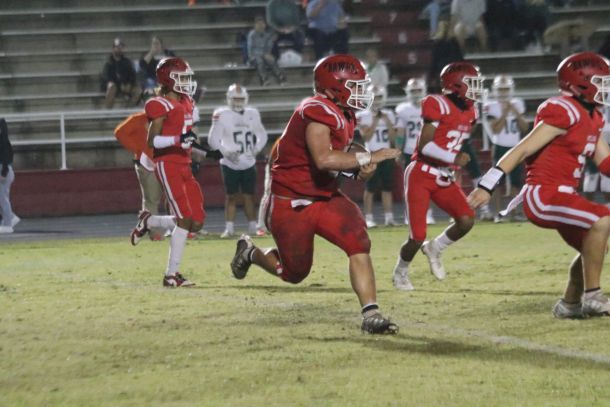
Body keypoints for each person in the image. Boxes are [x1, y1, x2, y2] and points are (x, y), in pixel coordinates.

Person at [229, 54, 401, 334]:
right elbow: (324, 158)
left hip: (324, 195)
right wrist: (368, 157)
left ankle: (371, 314)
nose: (362, 92)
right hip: (292, 200)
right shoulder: (316, 110)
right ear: (334, 87)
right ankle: (251, 253)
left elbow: (342, 152)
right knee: (294, 273)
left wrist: (361, 169)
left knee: (358, 240)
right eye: (355, 86)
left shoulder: (344, 111)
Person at [468, 52, 610, 318]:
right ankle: (593, 296)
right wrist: (487, 184)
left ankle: (569, 305)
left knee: (594, 245)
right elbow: (522, 149)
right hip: (543, 195)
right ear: (581, 82)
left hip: (565, 194)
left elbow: (606, 163)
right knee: (602, 219)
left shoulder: (592, 116)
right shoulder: (564, 110)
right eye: (600, 81)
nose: (605, 88)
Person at [392, 62, 483, 291]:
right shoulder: (437, 103)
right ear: (456, 84)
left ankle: (435, 247)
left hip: (443, 175)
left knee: (466, 219)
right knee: (416, 236)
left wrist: (454, 161)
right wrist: (453, 157)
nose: (476, 88)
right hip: (421, 173)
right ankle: (401, 271)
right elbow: (425, 145)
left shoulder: (472, 111)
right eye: (472, 83)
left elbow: (456, 140)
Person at [130, 57, 204, 288]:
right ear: (167, 79)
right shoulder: (160, 104)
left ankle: (149, 220)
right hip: (167, 163)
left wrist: (207, 151)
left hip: (185, 163)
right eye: (181, 78)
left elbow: (188, 136)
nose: (186, 82)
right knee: (183, 219)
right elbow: (152, 141)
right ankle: (171, 275)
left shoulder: (187, 102)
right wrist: (178, 139)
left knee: (196, 222)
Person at [208, 84, 268, 238]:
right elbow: (213, 140)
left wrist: (256, 149)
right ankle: (229, 228)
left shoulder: (252, 113)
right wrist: (226, 153)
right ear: (229, 98)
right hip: (230, 163)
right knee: (231, 196)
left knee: (250, 196)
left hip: (248, 161)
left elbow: (262, 135)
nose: (238, 102)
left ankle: (252, 227)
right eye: (235, 99)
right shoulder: (221, 114)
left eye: (240, 99)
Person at [115, 112, 167, 241]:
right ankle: (155, 232)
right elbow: (119, 133)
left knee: (169, 197)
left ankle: (149, 227)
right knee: (151, 199)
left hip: (164, 161)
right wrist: (138, 149)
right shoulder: (138, 119)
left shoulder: (167, 118)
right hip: (147, 163)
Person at [483, 74, 528, 222]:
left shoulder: (518, 103)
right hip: (500, 146)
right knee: (497, 183)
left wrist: (515, 111)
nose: (503, 92)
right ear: (496, 90)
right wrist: (505, 112)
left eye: (506, 89)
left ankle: (514, 213)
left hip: (515, 146)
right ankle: (498, 213)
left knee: (516, 182)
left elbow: (525, 127)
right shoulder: (491, 105)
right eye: (501, 89)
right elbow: (495, 129)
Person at [395, 77, 436, 225]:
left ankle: (428, 214)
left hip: (429, 151)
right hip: (410, 151)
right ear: (407, 92)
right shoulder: (402, 109)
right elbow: (400, 132)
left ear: (424, 90)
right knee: (410, 186)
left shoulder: (432, 106)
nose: (416, 93)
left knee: (429, 184)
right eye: (413, 91)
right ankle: (409, 215)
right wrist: (398, 150)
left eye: (419, 90)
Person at [357, 86, 397, 227]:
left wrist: (386, 122)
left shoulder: (389, 114)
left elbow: (393, 138)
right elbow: (366, 137)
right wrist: (375, 121)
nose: (376, 100)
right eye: (373, 97)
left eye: (379, 97)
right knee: (370, 188)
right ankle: (368, 218)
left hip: (386, 154)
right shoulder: (362, 115)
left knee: (387, 187)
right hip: (369, 155)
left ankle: (389, 218)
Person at [100, 38, 142, 109]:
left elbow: (133, 75)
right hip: (114, 87)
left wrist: (129, 84)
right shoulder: (109, 63)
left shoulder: (127, 62)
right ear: (113, 49)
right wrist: (119, 85)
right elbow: (106, 78)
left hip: (126, 87)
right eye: (117, 47)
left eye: (121, 47)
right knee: (111, 87)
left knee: (138, 90)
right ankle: (108, 111)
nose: (119, 49)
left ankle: (128, 109)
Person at [247, 16, 287, 86]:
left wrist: (267, 54)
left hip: (264, 55)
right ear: (255, 25)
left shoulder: (267, 35)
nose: (260, 26)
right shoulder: (251, 35)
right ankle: (264, 79)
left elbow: (268, 47)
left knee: (271, 60)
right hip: (254, 57)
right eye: (258, 24)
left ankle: (281, 77)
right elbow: (250, 49)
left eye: (262, 24)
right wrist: (262, 54)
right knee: (260, 61)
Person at [0, 119, 18, 234]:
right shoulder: (4, 141)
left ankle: (8, 224)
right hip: (5, 170)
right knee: (2, 197)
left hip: (3, 170)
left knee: (2, 198)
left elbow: (6, 158)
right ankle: (10, 217)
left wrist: (3, 173)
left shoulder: (3, 141)